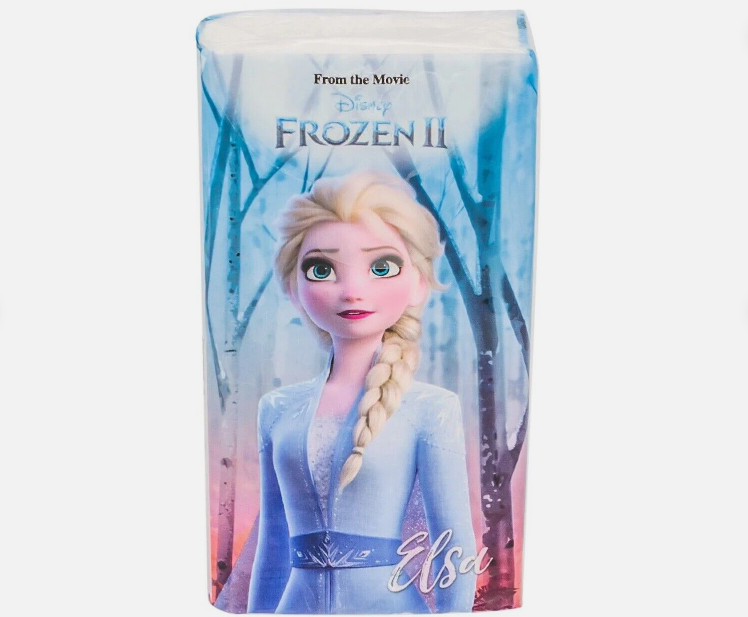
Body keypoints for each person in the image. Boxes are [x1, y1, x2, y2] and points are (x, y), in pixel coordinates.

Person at [247, 171, 477, 614]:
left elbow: (454, 546)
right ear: (294, 288)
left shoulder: (430, 408)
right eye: (321, 269)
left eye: (382, 267)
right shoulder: (277, 409)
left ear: (419, 283)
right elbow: (273, 546)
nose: (353, 291)